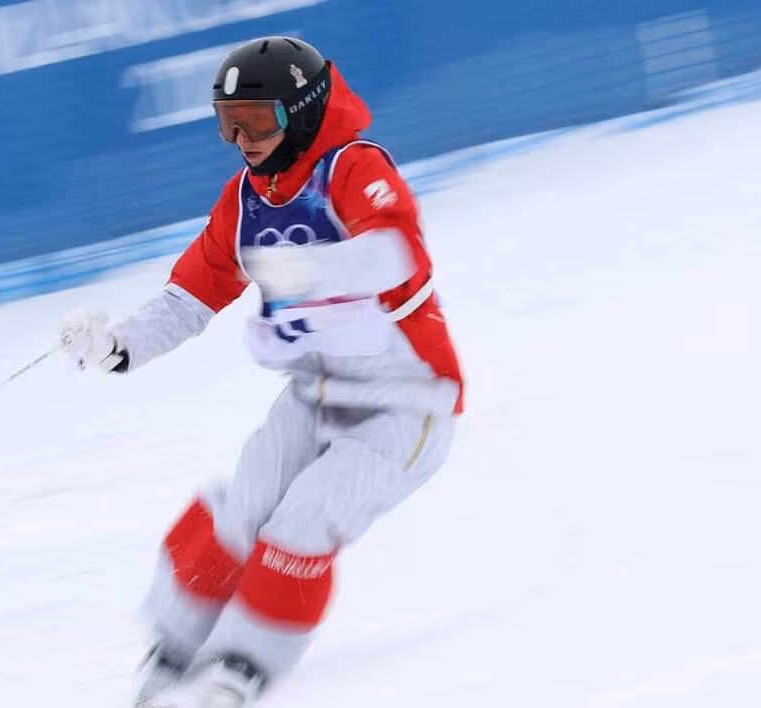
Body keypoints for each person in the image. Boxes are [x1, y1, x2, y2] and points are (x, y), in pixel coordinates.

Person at [59, 36, 465, 708]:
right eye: (229, 124)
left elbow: (396, 253)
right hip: (315, 396)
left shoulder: (353, 168)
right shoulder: (246, 199)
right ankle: (177, 646)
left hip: (406, 404)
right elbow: (190, 297)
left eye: (258, 122)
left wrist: (308, 274)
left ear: (302, 114)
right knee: (236, 511)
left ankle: (244, 665)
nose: (242, 140)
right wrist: (116, 345)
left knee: (301, 523)